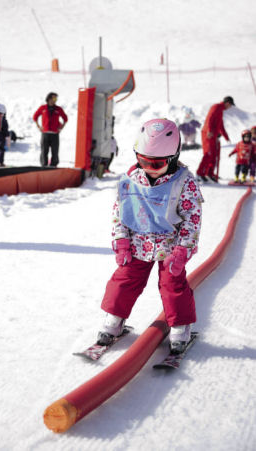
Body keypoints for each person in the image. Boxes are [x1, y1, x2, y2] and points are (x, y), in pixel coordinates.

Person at [97, 118, 204, 354]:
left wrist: (182, 250)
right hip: (137, 244)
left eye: (155, 164)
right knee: (123, 280)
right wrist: (121, 241)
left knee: (173, 285)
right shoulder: (131, 180)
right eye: (142, 160)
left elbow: (192, 219)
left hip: (170, 248)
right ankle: (113, 320)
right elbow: (120, 212)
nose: (147, 168)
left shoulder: (184, 183)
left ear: (173, 158)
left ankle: (180, 328)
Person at [196, 96, 234, 182]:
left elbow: (220, 125)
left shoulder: (221, 110)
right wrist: (209, 130)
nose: (230, 107)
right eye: (230, 105)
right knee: (208, 154)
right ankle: (199, 174)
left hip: (213, 135)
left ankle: (209, 173)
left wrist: (226, 136)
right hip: (208, 134)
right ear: (227, 103)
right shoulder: (216, 107)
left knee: (213, 155)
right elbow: (210, 118)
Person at [33, 92, 68, 167]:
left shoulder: (58, 109)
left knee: (55, 151)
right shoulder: (43, 108)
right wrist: (39, 126)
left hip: (55, 134)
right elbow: (35, 117)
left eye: (56, 98)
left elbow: (65, 118)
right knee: (44, 151)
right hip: (45, 133)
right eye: (54, 98)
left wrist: (62, 127)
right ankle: (43, 165)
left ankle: (53, 165)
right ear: (49, 99)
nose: (55, 100)